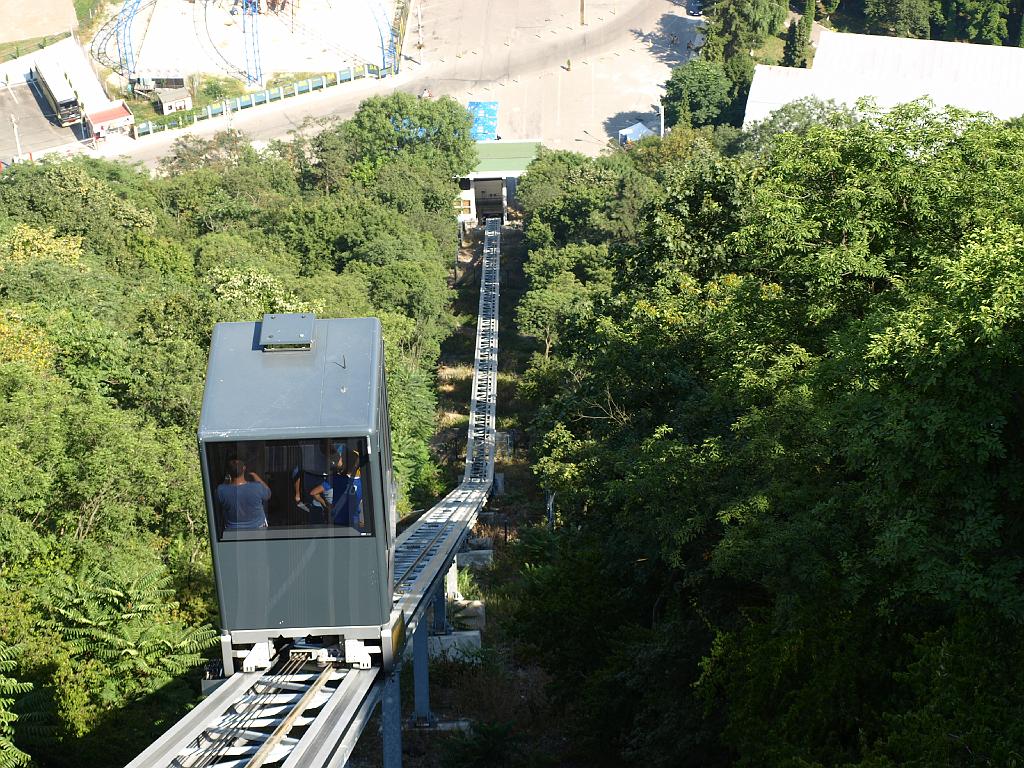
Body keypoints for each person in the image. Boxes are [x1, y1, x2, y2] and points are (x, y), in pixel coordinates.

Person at [217, 459, 270, 530]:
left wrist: (226, 481)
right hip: (258, 527)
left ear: (228, 472)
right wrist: (255, 475)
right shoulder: (257, 487)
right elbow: (268, 494)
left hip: (233, 529)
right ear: (244, 468)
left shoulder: (221, 490)